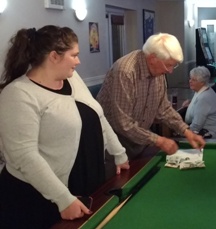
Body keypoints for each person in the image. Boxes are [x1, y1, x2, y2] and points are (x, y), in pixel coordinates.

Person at [0, 25, 130, 228]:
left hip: (80, 183)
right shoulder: (18, 94)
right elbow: (24, 156)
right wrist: (63, 198)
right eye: (74, 55)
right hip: (35, 196)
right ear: (54, 56)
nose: (78, 61)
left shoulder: (71, 78)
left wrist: (118, 152)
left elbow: (98, 114)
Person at [97, 33, 205, 159]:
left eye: (174, 65)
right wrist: (159, 140)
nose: (170, 71)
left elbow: (163, 109)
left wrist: (187, 132)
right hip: (111, 145)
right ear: (152, 58)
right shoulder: (125, 71)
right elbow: (123, 124)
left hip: (138, 140)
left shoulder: (158, 73)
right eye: (168, 65)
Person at [182, 66, 216, 139]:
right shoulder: (205, 90)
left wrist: (181, 132)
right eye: (190, 78)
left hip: (212, 134)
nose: (190, 81)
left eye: (194, 80)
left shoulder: (204, 98)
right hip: (209, 130)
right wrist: (191, 104)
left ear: (202, 82)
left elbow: (196, 126)